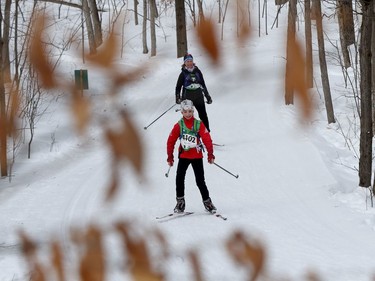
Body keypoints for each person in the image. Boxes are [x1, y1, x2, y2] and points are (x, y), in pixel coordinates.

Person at [167, 99, 217, 213]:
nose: (188, 114)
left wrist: (210, 154)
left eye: (190, 111)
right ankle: (180, 202)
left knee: (200, 181)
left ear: (193, 111)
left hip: (197, 157)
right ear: (181, 112)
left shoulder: (198, 124)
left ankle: (207, 202)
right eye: (185, 112)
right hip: (183, 156)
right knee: (179, 178)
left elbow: (207, 139)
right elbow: (170, 140)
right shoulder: (179, 125)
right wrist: (170, 157)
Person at [175, 53, 212, 132]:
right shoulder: (183, 74)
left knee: (203, 115)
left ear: (193, 61)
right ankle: (189, 135)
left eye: (190, 61)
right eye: (187, 61)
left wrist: (208, 96)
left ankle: (206, 133)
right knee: (188, 116)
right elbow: (178, 87)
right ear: (184, 63)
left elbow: (203, 84)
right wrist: (177, 98)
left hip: (198, 96)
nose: (189, 63)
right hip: (187, 97)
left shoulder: (197, 72)